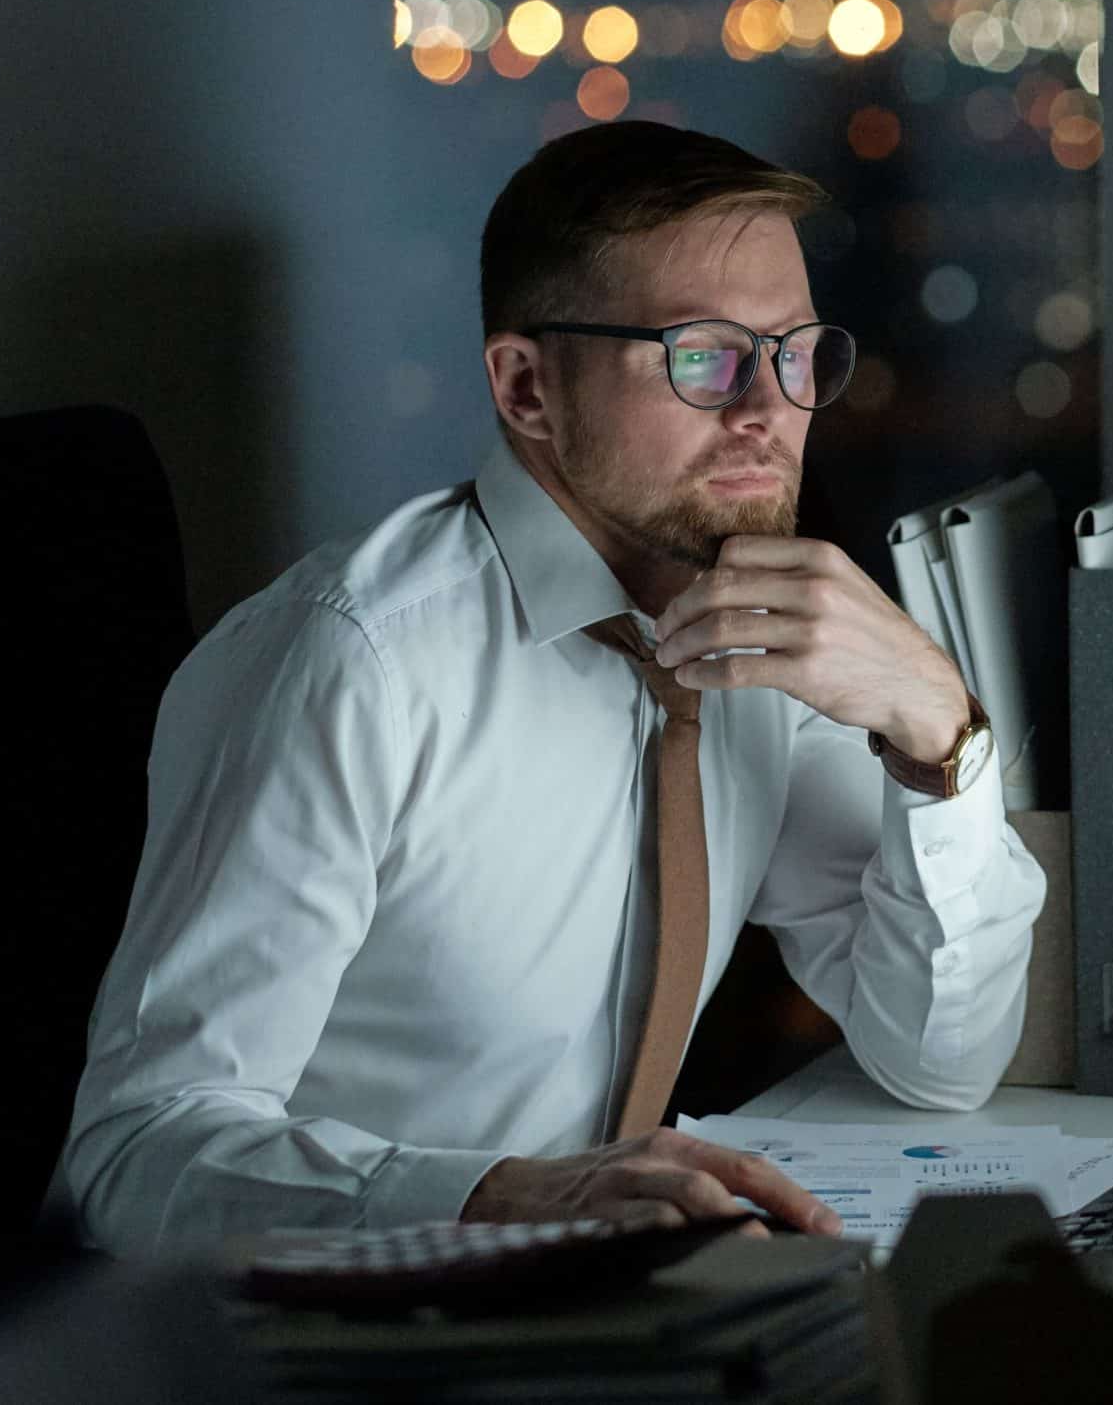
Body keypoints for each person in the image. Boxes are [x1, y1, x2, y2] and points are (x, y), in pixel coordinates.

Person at [54, 121, 1047, 1255]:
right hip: (341, 1335)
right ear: (527, 387)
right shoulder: (347, 662)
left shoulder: (766, 634)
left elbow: (940, 1062)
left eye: (796, 353)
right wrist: (502, 1198)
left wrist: (936, 732)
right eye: (704, 355)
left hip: (603, 1314)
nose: (768, 412)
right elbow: (133, 1161)